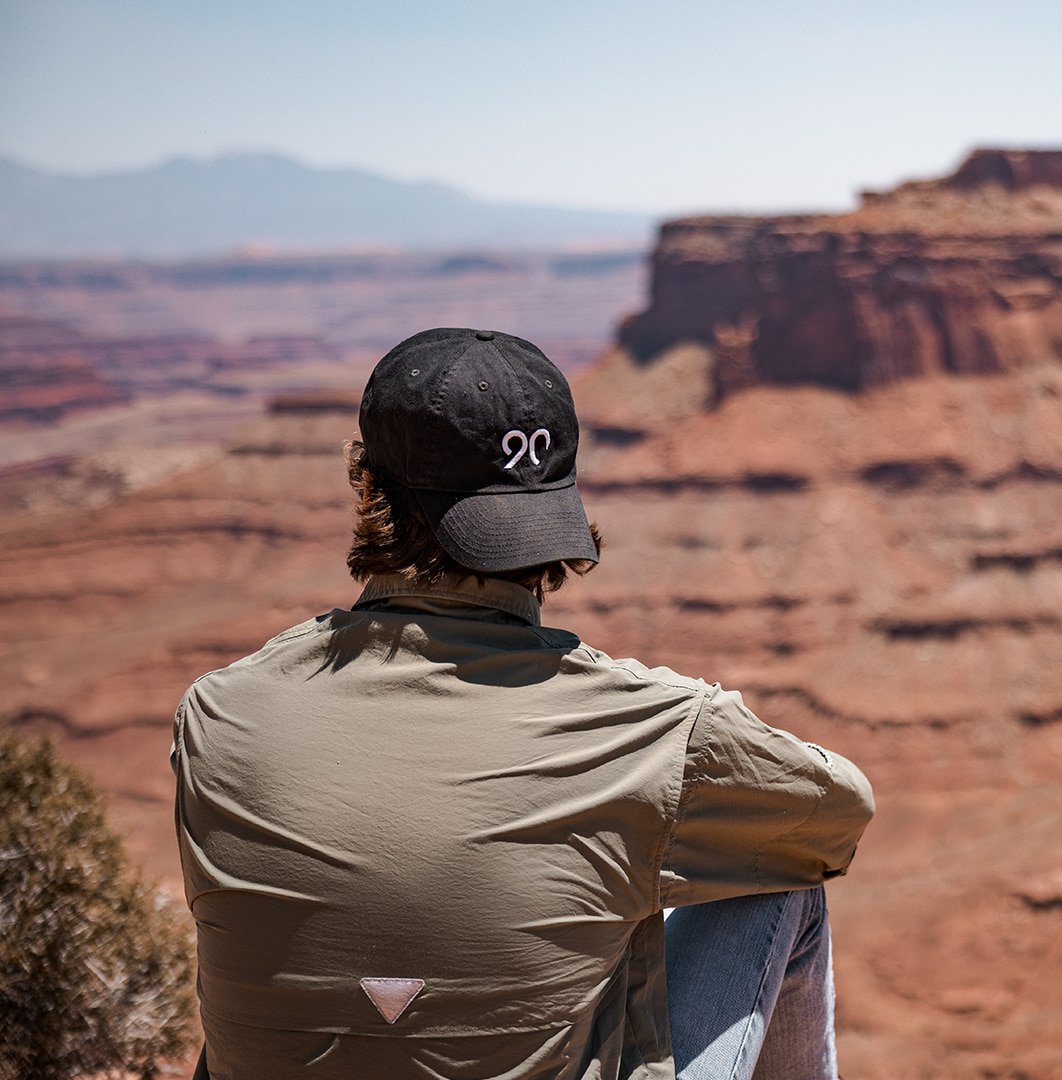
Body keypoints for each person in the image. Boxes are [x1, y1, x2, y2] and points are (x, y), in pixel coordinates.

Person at [172, 328, 875, 1079]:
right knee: (773, 881)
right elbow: (835, 816)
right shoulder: (648, 731)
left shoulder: (217, 713)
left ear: (368, 487)